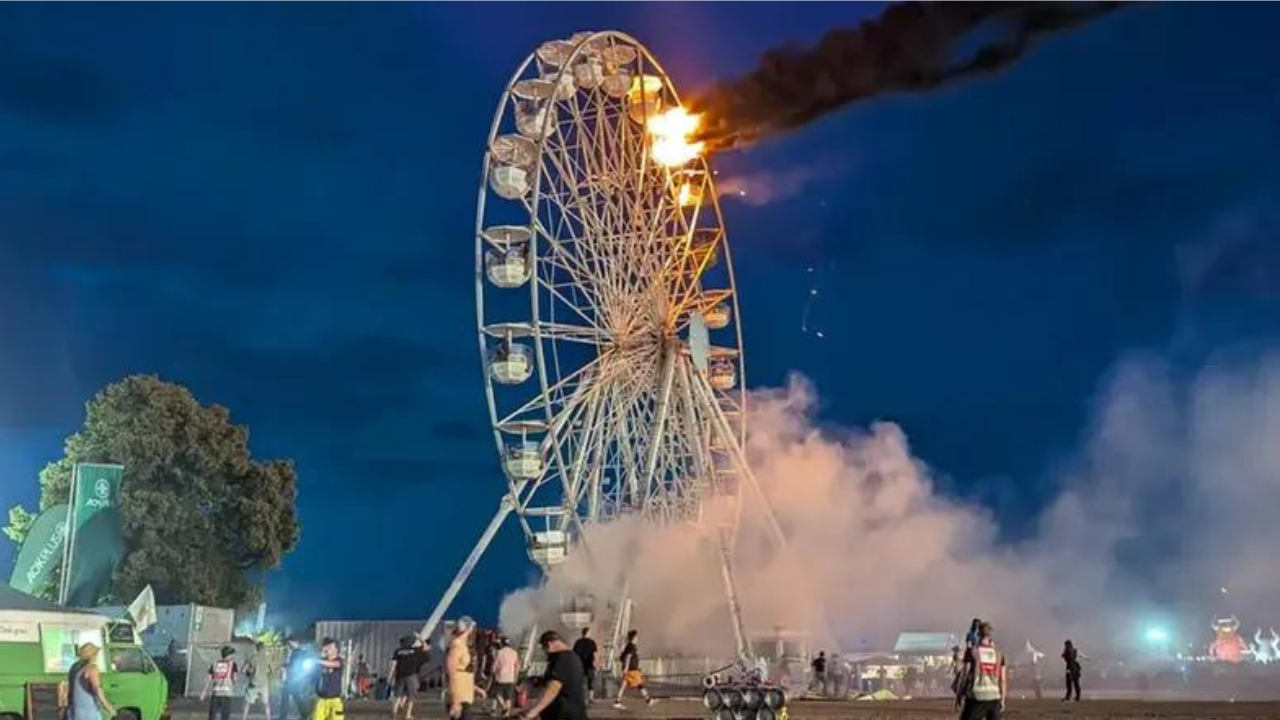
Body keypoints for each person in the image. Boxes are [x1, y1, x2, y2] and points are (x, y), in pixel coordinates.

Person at [520, 631, 587, 720]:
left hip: (563, 714)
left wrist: (534, 711)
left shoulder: (562, 658)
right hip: (574, 712)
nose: (545, 652)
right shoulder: (573, 657)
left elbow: (554, 687)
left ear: (550, 643)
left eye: (544, 648)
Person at [957, 622, 1006, 720]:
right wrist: (1002, 699)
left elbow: (964, 674)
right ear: (990, 635)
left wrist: (959, 694)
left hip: (976, 696)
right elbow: (1003, 680)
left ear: (978, 634)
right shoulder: (999, 654)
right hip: (994, 697)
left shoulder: (972, 652)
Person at [446, 617, 486, 720]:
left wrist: (475, 688)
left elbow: (463, 672)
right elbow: (452, 673)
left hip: (465, 695)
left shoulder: (464, 645)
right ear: (469, 629)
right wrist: (455, 701)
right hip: (459, 697)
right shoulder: (456, 645)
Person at [67, 643, 116, 720]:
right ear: (93, 655)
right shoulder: (92, 669)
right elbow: (98, 690)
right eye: (97, 654)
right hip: (89, 711)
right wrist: (108, 707)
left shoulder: (74, 667)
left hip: (75, 711)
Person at [613, 629, 655, 710]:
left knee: (624, 685)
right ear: (634, 637)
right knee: (639, 684)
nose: (637, 639)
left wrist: (627, 668)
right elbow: (628, 657)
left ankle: (617, 701)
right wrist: (626, 668)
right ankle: (648, 700)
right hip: (631, 670)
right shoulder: (632, 646)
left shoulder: (628, 645)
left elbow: (623, 657)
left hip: (631, 669)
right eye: (637, 637)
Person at [390, 635, 426, 719]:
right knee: (411, 696)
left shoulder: (397, 651)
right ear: (411, 642)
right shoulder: (415, 650)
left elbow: (393, 664)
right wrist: (420, 637)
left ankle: (394, 713)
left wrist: (391, 675)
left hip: (400, 676)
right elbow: (424, 646)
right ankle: (407, 715)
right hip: (411, 676)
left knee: (398, 695)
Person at [201, 646, 239, 720]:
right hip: (226, 694)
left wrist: (204, 692)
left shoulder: (215, 664)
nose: (233, 656)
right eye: (232, 654)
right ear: (229, 655)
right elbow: (235, 678)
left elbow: (209, 678)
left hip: (216, 693)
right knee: (225, 716)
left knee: (212, 716)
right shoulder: (233, 665)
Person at [313, 638, 345, 720]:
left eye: (331, 647)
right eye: (326, 647)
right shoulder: (321, 661)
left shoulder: (339, 661)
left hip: (335, 700)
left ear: (336, 649)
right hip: (322, 699)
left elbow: (334, 664)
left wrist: (318, 661)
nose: (328, 649)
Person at [280, 638, 310, 720]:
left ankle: (304, 714)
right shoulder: (296, 652)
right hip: (293, 679)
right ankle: (304, 714)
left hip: (295, 679)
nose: (288, 645)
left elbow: (295, 666)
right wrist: (286, 665)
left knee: (291, 696)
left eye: (289, 643)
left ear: (294, 642)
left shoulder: (299, 652)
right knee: (295, 697)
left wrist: (286, 666)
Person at [242, 642, 273, 720]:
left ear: (256, 648)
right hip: (264, 684)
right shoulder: (267, 658)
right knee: (266, 704)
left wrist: (248, 675)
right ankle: (268, 718)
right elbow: (271, 671)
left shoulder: (253, 657)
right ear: (264, 648)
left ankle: (244, 718)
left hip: (253, 684)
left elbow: (243, 670)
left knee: (247, 703)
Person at [491, 636, 520, 716]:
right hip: (511, 678)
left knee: (497, 694)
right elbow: (517, 666)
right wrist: (516, 676)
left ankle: (504, 707)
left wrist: (492, 671)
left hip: (500, 677)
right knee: (508, 697)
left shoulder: (499, 652)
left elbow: (495, 665)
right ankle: (506, 715)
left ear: (502, 643)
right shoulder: (514, 652)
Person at [570, 628, 597, 703]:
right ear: (588, 633)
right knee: (591, 681)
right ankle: (591, 698)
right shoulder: (592, 642)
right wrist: (596, 664)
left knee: (579, 682)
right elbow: (594, 655)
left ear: (582, 633)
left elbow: (574, 654)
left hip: (579, 665)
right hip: (589, 665)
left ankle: (579, 698)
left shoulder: (577, 642)